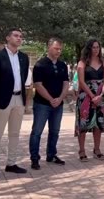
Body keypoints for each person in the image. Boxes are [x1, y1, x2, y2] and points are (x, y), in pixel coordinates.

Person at [0, 28, 30, 179]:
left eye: (20, 36)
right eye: (16, 36)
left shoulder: (24, 57)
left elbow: (23, 79)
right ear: (7, 38)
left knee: (15, 134)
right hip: (2, 100)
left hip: (19, 99)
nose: (19, 38)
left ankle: (11, 163)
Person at [29, 38, 69, 170]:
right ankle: (35, 158)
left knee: (55, 131)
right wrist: (51, 99)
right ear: (49, 47)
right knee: (37, 132)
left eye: (60, 49)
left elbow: (66, 83)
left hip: (58, 105)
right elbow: (38, 85)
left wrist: (60, 98)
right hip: (42, 104)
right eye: (56, 48)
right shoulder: (40, 65)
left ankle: (51, 154)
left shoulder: (63, 65)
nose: (58, 51)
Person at [75, 39, 104, 161]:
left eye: (98, 47)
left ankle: (97, 149)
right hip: (85, 96)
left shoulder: (103, 62)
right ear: (89, 48)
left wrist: (101, 95)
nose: (96, 50)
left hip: (100, 96)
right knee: (83, 123)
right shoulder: (82, 63)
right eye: (93, 47)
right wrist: (92, 96)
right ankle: (82, 151)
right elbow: (81, 82)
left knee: (98, 123)